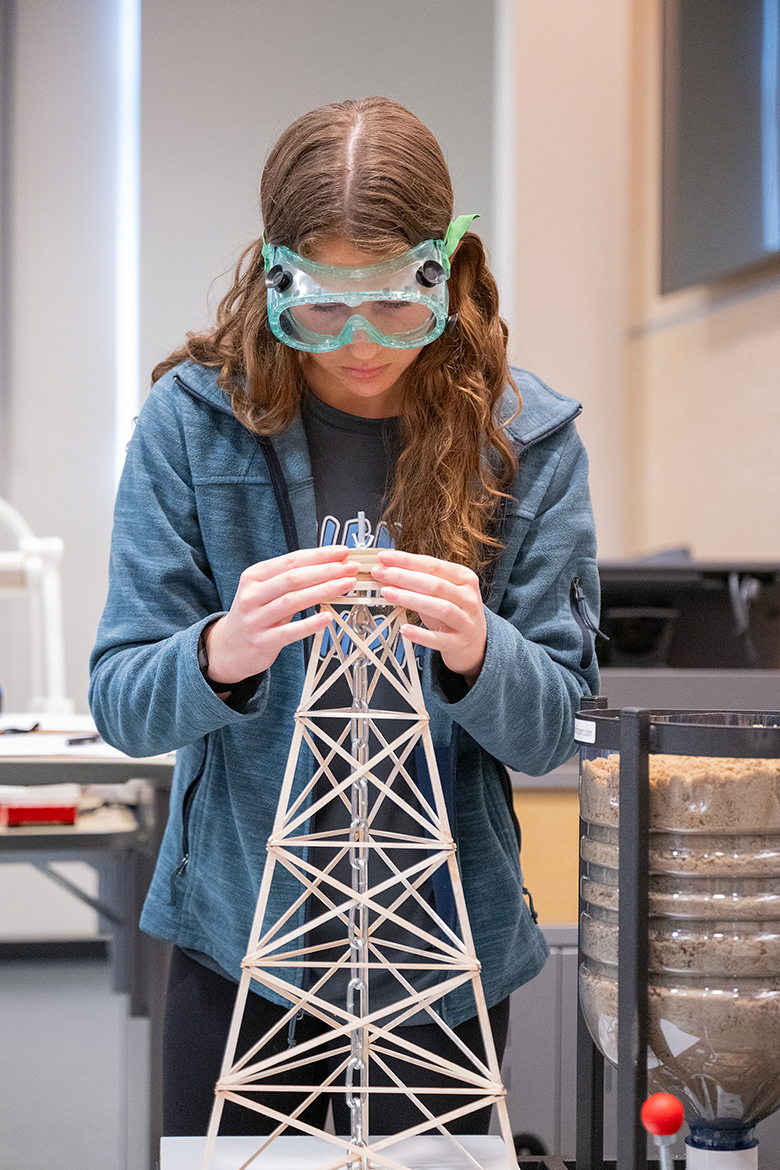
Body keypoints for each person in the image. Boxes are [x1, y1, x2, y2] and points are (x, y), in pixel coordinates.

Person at [89, 96, 601, 1138]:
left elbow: (558, 729)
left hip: (442, 963)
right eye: (320, 308)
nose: (359, 345)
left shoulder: (531, 444)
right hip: (240, 945)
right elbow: (123, 704)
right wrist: (222, 653)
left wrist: (479, 653)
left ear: (448, 273)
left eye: (395, 307)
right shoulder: (192, 427)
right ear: (272, 275)